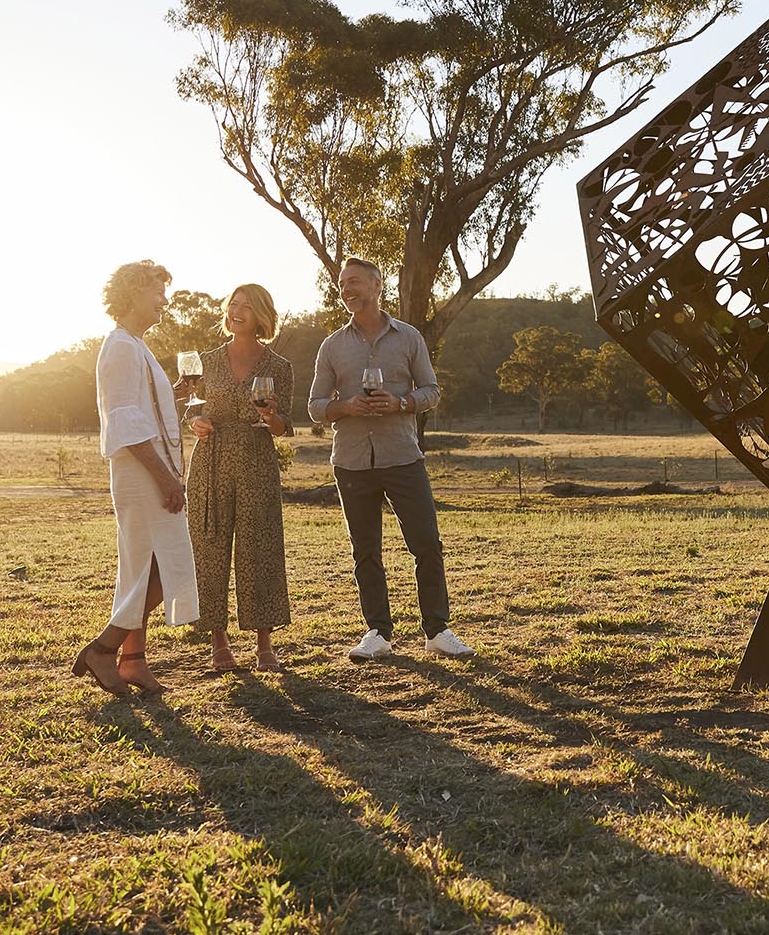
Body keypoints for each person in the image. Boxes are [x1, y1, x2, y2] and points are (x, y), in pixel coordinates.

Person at [309, 257, 473, 661]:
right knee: (365, 551)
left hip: (403, 458)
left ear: (376, 285)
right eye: (343, 283)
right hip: (350, 462)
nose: (347, 289)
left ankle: (437, 631)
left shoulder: (409, 337)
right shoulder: (332, 346)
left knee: (426, 545)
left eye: (355, 282)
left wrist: (401, 402)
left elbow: (432, 390)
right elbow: (314, 407)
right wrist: (345, 406)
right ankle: (378, 633)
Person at [72, 260, 201, 696]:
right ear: (133, 292)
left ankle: (133, 661)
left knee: (144, 567)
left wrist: (174, 392)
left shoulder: (135, 345)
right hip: (141, 474)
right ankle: (104, 649)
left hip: (148, 471)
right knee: (162, 567)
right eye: (158, 291)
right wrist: (166, 477)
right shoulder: (121, 346)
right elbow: (124, 420)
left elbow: (139, 406)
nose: (165, 299)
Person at [185, 283, 293, 673]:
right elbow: (192, 408)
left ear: (262, 314)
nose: (236, 311)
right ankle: (218, 642)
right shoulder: (206, 361)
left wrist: (272, 418)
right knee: (210, 551)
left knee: (260, 552)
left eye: (246, 306)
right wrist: (196, 420)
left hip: (256, 462)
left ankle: (265, 645)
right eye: (233, 304)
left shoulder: (280, 367)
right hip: (210, 460)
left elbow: (284, 426)